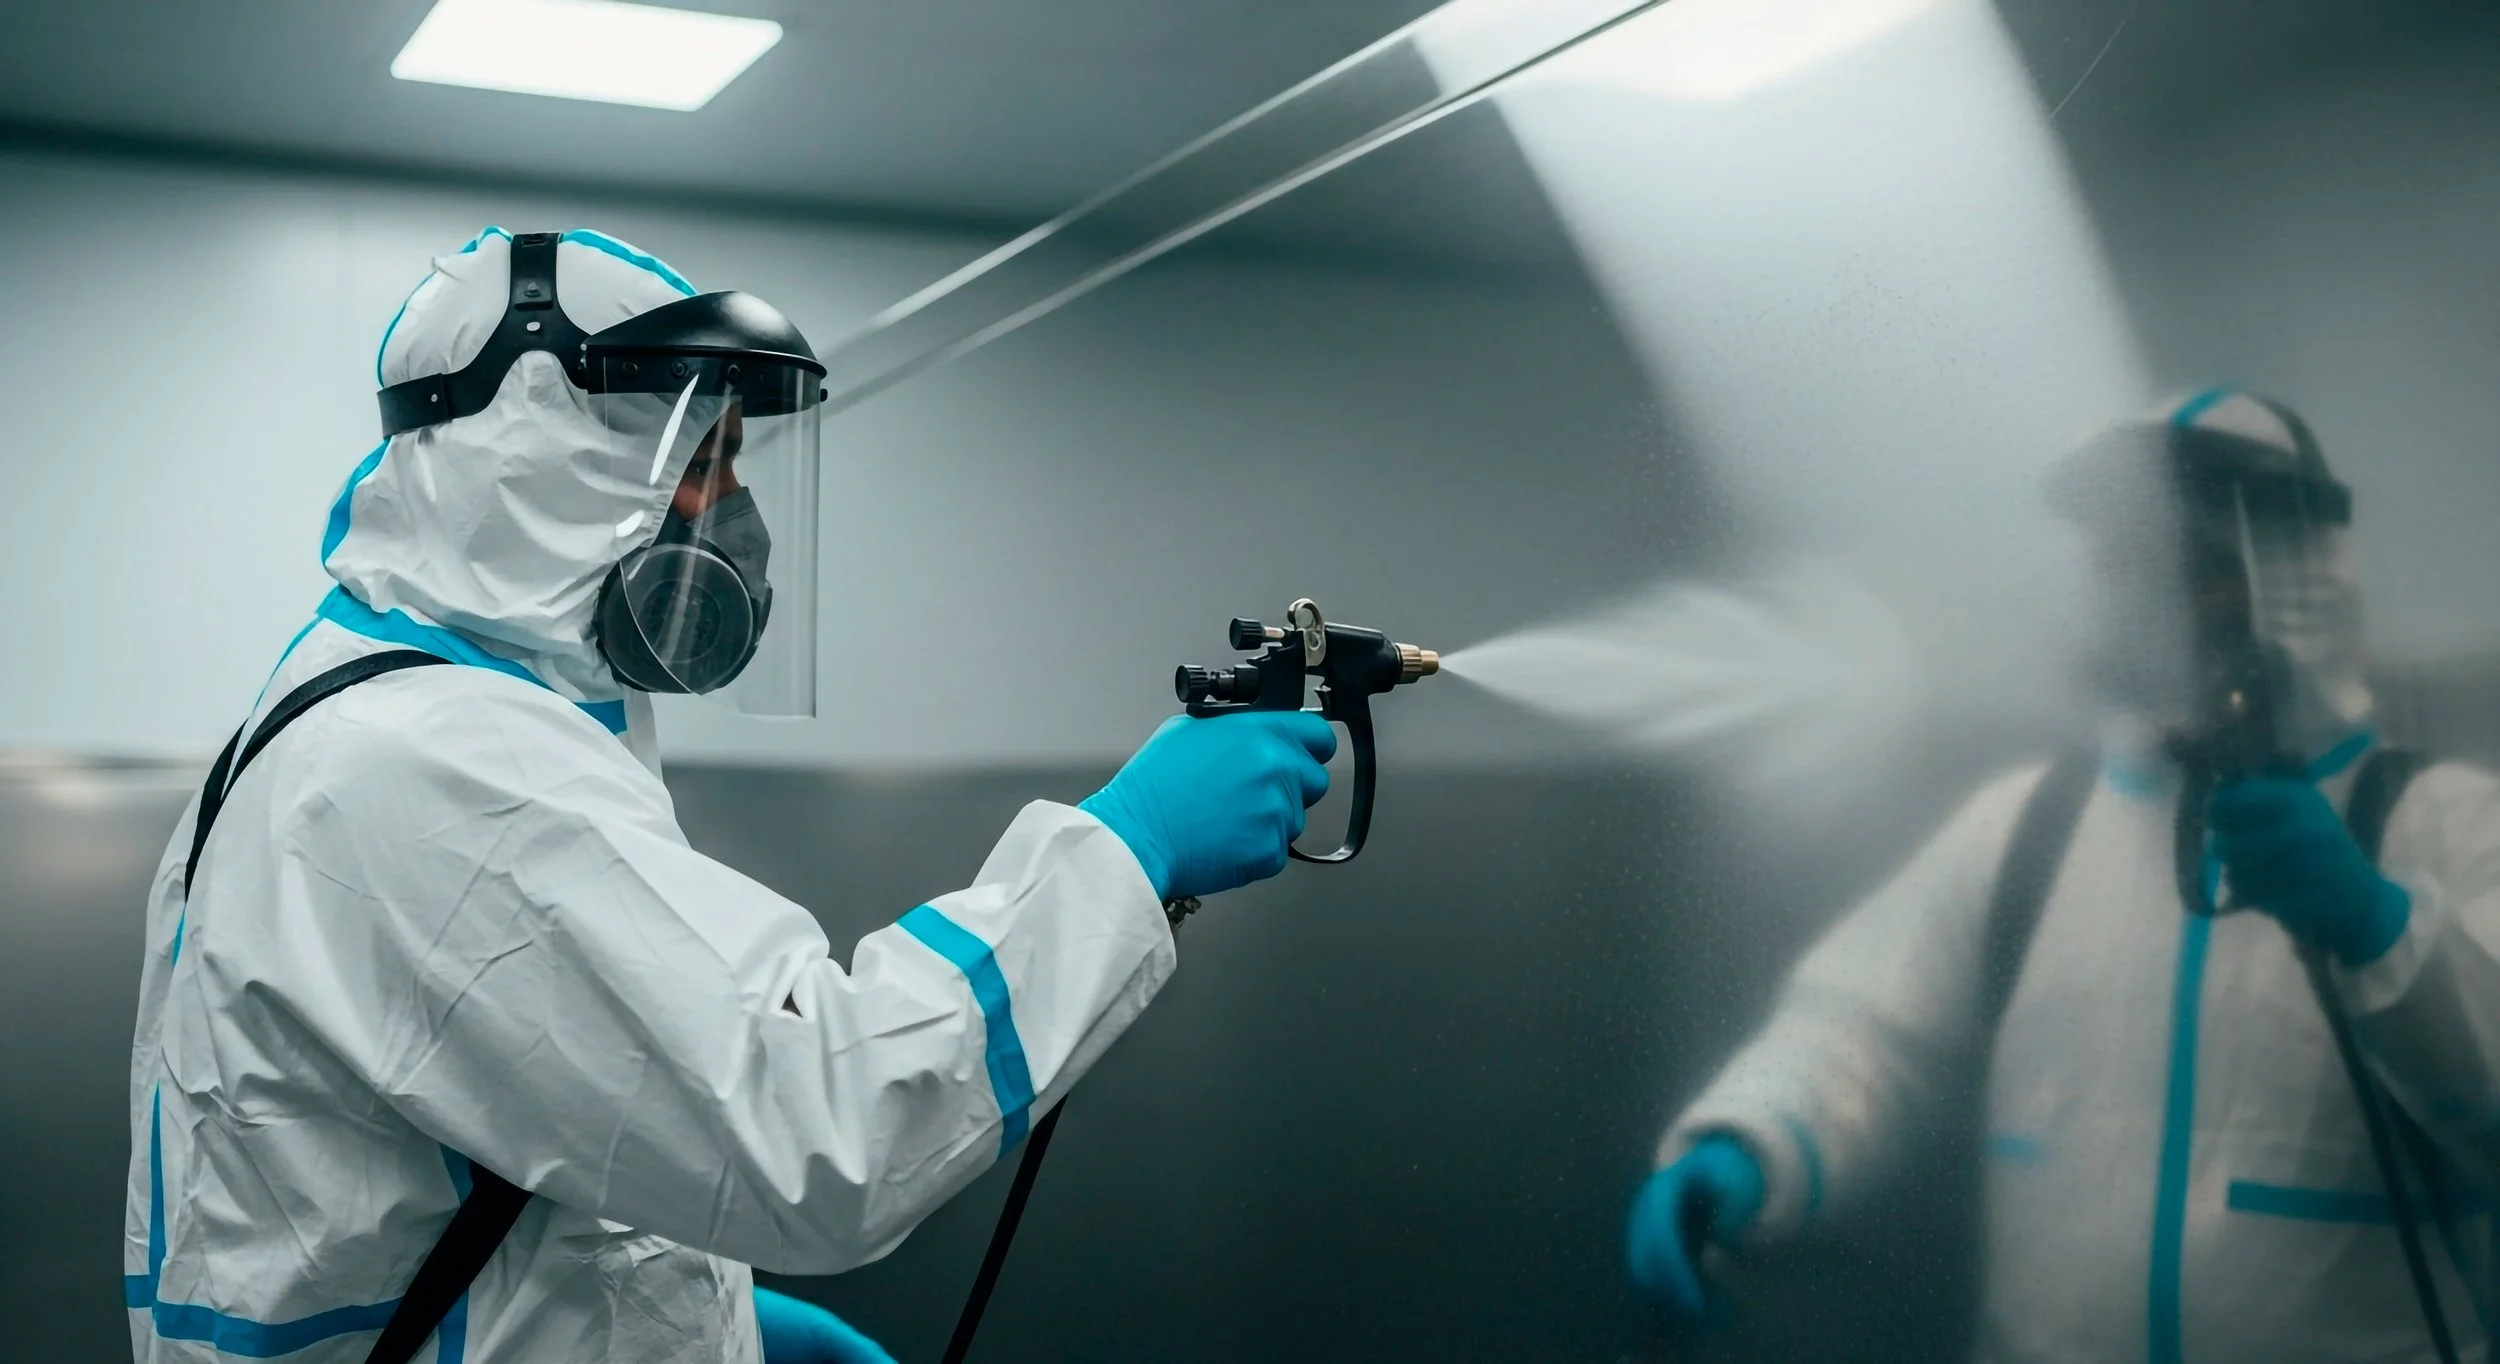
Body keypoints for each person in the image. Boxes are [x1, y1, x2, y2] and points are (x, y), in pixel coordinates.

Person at [123, 228, 1335, 1363]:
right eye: (697, 464)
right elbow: (823, 1121)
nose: (731, 522)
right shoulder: (434, 766)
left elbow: (494, 1138)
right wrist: (1130, 847)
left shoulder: (366, 707)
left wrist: (712, 1321)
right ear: (540, 464)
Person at [1626, 389, 2500, 1362]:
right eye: (2129, 564)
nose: (2160, 601)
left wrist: (2380, 929)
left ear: (2291, 578)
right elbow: (1864, 1021)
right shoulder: (2029, 827)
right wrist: (1753, 1140)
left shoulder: (2445, 821)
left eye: (2201, 572)